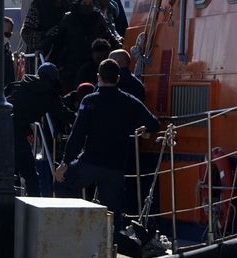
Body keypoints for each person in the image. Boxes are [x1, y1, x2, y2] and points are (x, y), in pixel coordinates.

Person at [54, 59, 159, 231]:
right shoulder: (129, 101)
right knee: (113, 213)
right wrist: (145, 129)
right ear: (118, 79)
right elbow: (154, 123)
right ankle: (114, 246)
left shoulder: (89, 101)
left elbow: (77, 135)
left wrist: (65, 163)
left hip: (90, 162)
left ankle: (74, 229)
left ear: (98, 77)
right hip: (116, 167)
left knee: (62, 184)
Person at [5, 62, 75, 196]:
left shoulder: (19, 85)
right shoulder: (48, 94)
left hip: (1, 128)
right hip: (16, 134)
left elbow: (17, 108)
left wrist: (26, 128)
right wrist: (84, 119)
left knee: (8, 171)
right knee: (31, 175)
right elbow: (65, 115)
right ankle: (33, 208)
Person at [46, 0, 118, 93]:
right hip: (71, 62)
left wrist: (117, 47)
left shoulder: (97, 18)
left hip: (92, 61)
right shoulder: (69, 18)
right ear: (79, 3)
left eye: (90, 4)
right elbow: (57, 38)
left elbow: (108, 35)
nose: (87, 6)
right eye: (84, 3)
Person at [20, 0, 72, 65]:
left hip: (65, 56)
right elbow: (26, 32)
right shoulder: (38, 5)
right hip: (40, 57)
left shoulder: (70, 6)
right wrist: (46, 36)